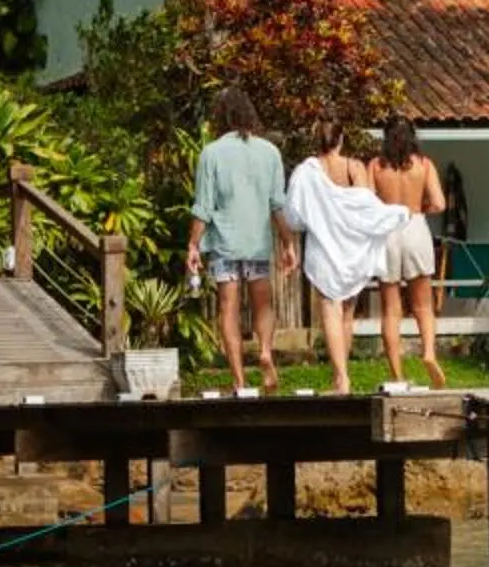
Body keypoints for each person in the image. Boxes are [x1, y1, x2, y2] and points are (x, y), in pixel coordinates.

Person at [282, 121, 408, 395]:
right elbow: (366, 208)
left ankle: (341, 378)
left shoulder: (306, 172)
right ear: (341, 139)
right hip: (353, 250)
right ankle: (343, 375)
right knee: (347, 313)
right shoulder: (355, 168)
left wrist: (322, 215)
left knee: (330, 308)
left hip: (325, 249)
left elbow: (293, 215)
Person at [187, 87, 290, 395]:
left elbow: (203, 207)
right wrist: (288, 242)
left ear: (221, 117)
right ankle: (265, 351)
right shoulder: (270, 152)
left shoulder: (211, 153)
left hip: (224, 245)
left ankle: (239, 380)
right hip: (257, 242)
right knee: (263, 303)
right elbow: (277, 204)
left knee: (228, 308)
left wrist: (193, 246)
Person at [366, 116, 448, 388]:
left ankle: (397, 375)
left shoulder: (376, 166)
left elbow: (365, 202)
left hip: (387, 227)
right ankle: (428, 352)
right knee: (423, 305)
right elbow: (439, 203)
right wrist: (420, 208)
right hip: (414, 225)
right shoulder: (423, 165)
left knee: (391, 309)